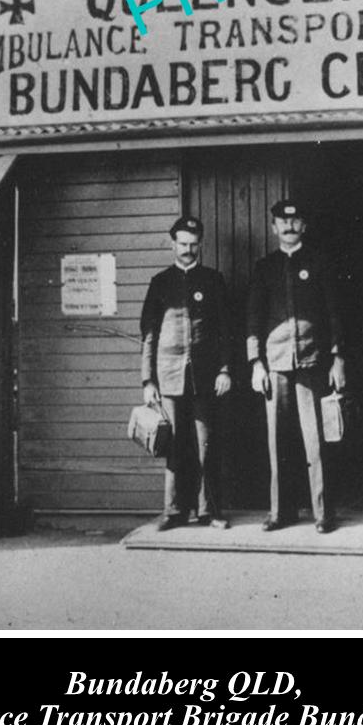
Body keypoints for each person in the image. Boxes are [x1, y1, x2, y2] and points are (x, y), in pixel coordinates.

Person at [246, 200, 346, 533]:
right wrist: (256, 362)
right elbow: (253, 320)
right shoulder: (264, 268)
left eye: (294, 221)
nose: (288, 227)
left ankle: (323, 514)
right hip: (275, 365)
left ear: (303, 226)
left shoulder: (319, 262)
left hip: (312, 362)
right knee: (279, 443)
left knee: (315, 441)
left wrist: (338, 357)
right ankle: (281, 512)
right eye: (282, 222)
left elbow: (335, 312)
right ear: (274, 227)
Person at [139, 216, 233, 530]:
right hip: (168, 377)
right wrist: (148, 380)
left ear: (200, 244)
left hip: (205, 378)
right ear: (172, 244)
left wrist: (224, 370)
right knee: (174, 446)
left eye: (193, 244)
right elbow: (149, 335)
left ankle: (210, 512)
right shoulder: (160, 282)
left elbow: (224, 331)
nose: (188, 249)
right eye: (183, 244)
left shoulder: (213, 280)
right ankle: (174, 512)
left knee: (207, 446)